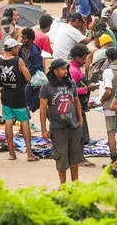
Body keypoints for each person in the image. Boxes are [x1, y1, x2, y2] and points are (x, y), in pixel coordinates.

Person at [0, 38, 37, 161]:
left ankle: (11, 153)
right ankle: (29, 154)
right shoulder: (18, 61)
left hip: (5, 96)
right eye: (17, 47)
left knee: (8, 122)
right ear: (12, 49)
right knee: (24, 121)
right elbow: (28, 78)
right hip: (19, 96)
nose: (18, 49)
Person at [39, 58, 84, 186]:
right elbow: (43, 109)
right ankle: (63, 185)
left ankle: (75, 184)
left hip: (74, 126)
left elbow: (77, 101)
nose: (66, 71)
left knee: (75, 158)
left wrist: (80, 120)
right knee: (61, 158)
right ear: (55, 71)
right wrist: (43, 129)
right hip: (58, 128)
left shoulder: (71, 84)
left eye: (66, 69)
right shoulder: (46, 88)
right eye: (63, 69)